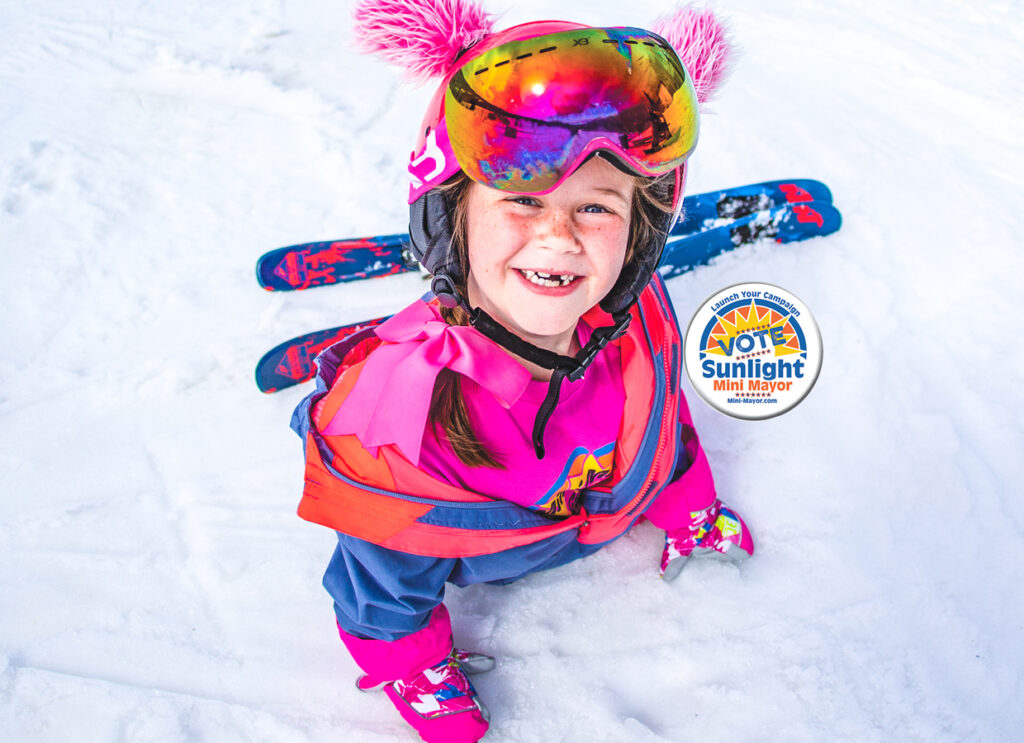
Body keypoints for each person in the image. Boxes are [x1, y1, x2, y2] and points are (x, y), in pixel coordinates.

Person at [291, 2, 753, 741]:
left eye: (597, 207)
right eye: (524, 201)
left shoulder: (637, 326)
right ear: (453, 216)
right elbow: (380, 573)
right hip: (495, 556)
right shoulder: (400, 415)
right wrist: (403, 650)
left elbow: (663, 427)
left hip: (585, 526)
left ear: (638, 233)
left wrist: (687, 501)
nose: (559, 235)